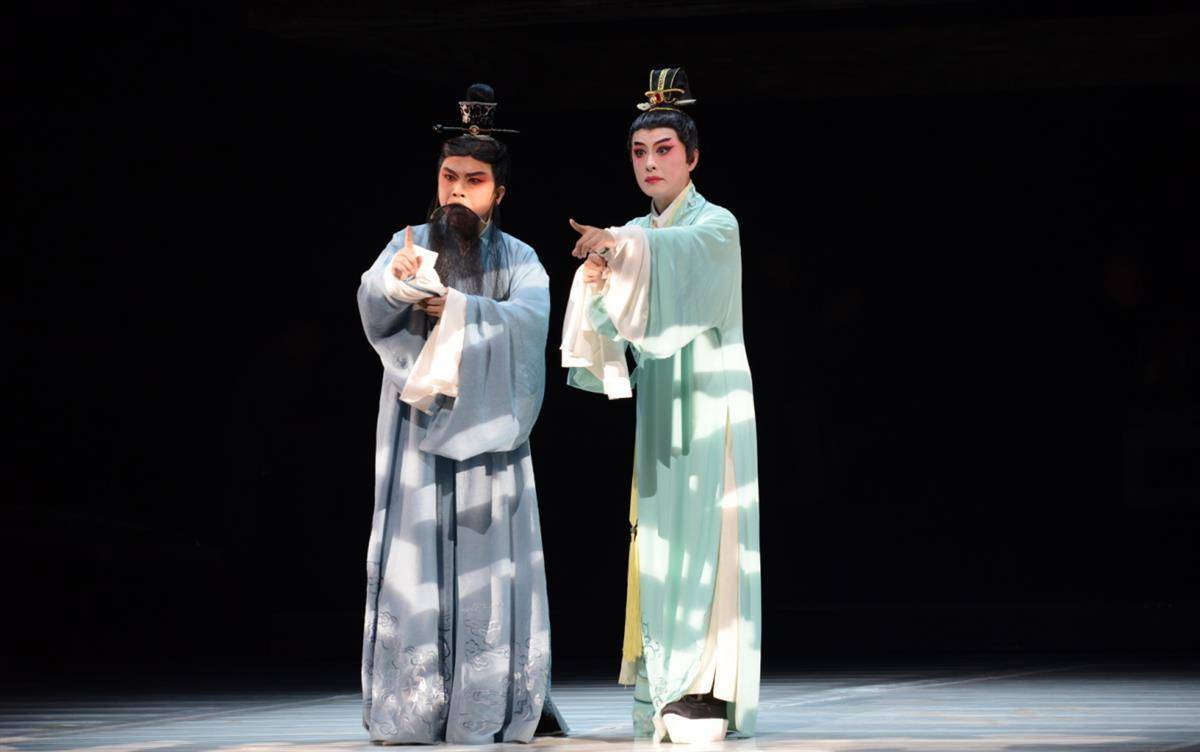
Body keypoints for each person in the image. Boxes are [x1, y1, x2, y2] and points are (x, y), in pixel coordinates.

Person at [358, 83, 564, 744]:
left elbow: (531, 324)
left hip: (487, 435)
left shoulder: (520, 259)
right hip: (416, 429)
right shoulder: (409, 242)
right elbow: (371, 297)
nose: (457, 191)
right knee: (413, 559)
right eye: (449, 177)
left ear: (498, 193)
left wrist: (464, 312)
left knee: (487, 563)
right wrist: (396, 282)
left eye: (474, 181)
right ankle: (414, 704)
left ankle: (487, 700)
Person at [560, 67, 761, 743]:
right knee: (659, 543)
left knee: (709, 534)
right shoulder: (634, 234)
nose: (650, 162)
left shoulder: (716, 225)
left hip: (712, 398)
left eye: (664, 150)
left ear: (692, 157)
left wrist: (622, 248)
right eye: (639, 152)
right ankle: (664, 684)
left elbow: (682, 258)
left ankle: (707, 687)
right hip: (660, 406)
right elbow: (617, 329)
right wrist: (598, 282)